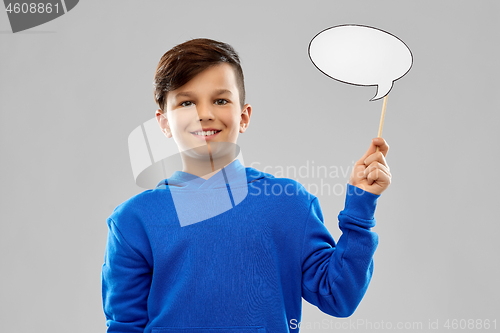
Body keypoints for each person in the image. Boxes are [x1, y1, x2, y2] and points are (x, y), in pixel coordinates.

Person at [101, 38, 392, 333]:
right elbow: (125, 326)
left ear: (243, 117)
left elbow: (338, 295)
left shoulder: (289, 204)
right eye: (187, 102)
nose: (205, 113)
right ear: (164, 123)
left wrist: (361, 207)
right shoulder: (133, 221)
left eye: (221, 100)